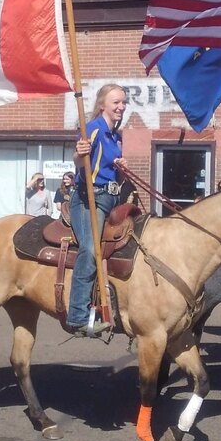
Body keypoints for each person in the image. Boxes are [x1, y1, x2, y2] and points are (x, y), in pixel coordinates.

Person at [66, 83, 128, 337]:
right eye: (116, 102)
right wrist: (79, 155)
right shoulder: (92, 128)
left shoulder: (117, 135)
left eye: (123, 103)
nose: (121, 107)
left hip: (112, 198)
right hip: (88, 199)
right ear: (103, 104)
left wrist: (120, 168)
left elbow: (109, 171)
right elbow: (80, 160)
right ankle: (78, 316)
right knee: (91, 250)